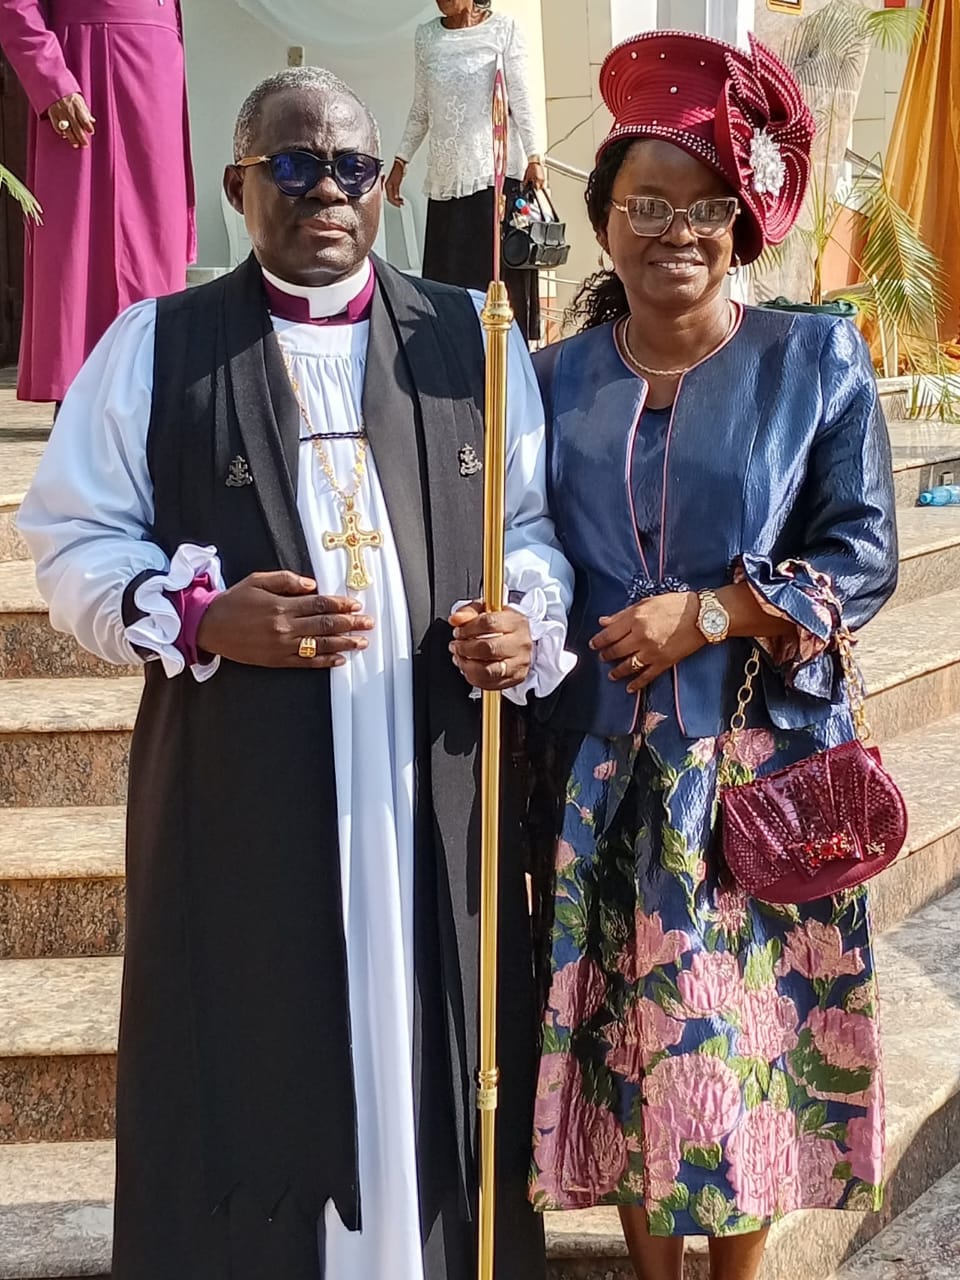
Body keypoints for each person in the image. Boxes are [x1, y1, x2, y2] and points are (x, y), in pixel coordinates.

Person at [18, 65, 575, 1280]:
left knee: (435, 1035)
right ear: (238, 187)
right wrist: (202, 616)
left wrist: (523, 622)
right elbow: (72, 538)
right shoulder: (158, 345)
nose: (327, 188)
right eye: (293, 164)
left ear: (381, 187)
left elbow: (529, 525)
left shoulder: (469, 339)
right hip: (243, 787)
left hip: (430, 777)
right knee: (251, 1024)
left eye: (352, 167)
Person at [527, 31, 898, 1280]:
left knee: (743, 1053)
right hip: (600, 777)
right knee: (628, 1045)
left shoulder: (813, 359)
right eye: (645, 203)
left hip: (756, 776)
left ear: (740, 227)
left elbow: (863, 555)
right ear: (603, 221)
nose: (673, 231)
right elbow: (522, 548)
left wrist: (716, 612)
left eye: (701, 207)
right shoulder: (550, 379)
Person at [0, 0, 195, 404]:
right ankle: (78, 408)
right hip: (88, 67)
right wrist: (51, 79)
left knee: (157, 245)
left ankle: (154, 401)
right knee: (79, 244)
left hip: (158, 67)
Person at [386, 0, 545, 341]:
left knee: (494, 288)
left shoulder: (504, 29)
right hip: (447, 181)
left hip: (493, 177)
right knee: (446, 290)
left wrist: (535, 155)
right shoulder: (426, 36)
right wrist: (401, 160)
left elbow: (520, 98)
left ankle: (505, 362)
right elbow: (421, 107)